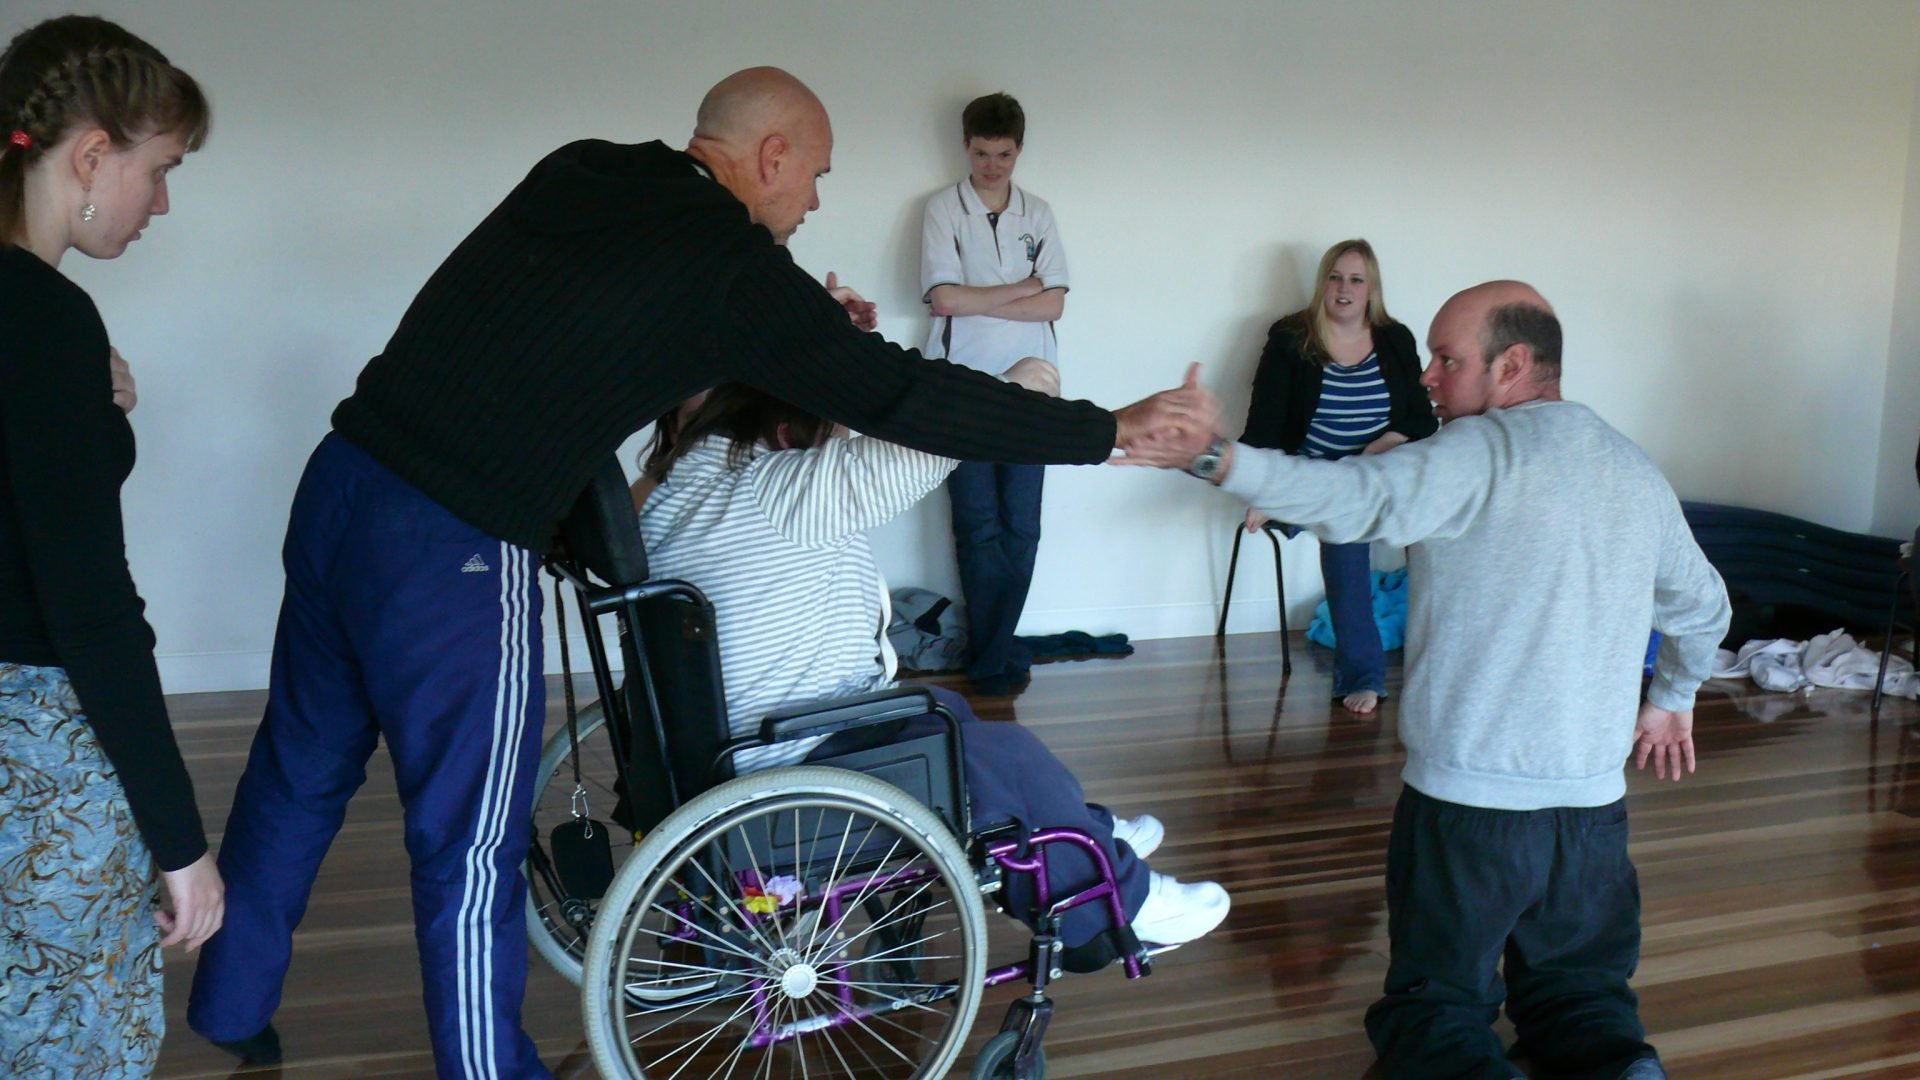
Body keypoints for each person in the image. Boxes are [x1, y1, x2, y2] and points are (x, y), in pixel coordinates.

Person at [186, 67, 1212, 1077]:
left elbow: (610, 331)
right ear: (769, 156)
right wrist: (1103, 429)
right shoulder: (728, 263)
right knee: (468, 845)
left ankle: (234, 1003)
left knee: (297, 766)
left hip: (346, 477)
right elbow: (900, 397)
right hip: (450, 540)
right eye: (815, 176)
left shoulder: (584, 171)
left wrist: (804, 333)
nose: (814, 202)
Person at [1127, 282, 1730, 1080]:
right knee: (1583, 1000)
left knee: (1434, 1007)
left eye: (1448, 360)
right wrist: (1672, 700)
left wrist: (1214, 455)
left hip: (1470, 814)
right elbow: (1705, 605)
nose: (1429, 380)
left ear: (1513, 364)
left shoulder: (1478, 453)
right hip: (1591, 817)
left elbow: (1351, 501)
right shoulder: (1629, 464)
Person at [637, 374, 1232, 953]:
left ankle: (1079, 830)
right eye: (831, 425)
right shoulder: (779, 490)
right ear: (786, 428)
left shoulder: (671, 495)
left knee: (948, 711)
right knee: (1004, 753)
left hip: (733, 749)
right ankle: (1109, 904)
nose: (839, 439)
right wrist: (1021, 385)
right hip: (794, 768)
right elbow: (946, 434)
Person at [0, 15, 222, 1076]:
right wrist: (182, 847)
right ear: (91, 155)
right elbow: (88, 607)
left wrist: (99, 411)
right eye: (160, 168)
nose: (162, 203)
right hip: (34, 754)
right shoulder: (43, 323)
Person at [1240, 239, 1437, 714]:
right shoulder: (1292, 338)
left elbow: (1422, 418)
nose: (1343, 289)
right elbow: (1265, 421)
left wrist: (1387, 441)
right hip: (1313, 477)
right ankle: (1362, 674)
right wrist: (1265, 489)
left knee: (1439, 528)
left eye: (1355, 280)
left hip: (1381, 472)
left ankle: (1441, 656)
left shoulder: (1395, 339)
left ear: (1372, 290)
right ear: (1322, 283)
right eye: (1335, 277)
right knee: (1346, 529)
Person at [920, 92, 1069, 695]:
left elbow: (1055, 302)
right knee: (977, 524)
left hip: (1036, 387)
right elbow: (944, 300)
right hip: (963, 386)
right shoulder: (940, 210)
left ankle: (994, 651)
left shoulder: (1039, 213)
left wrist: (987, 294)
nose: (992, 166)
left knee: (1022, 527)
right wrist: (1022, 287)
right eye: (982, 154)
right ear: (966, 147)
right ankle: (993, 657)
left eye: (1004, 154)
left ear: (1019, 151)